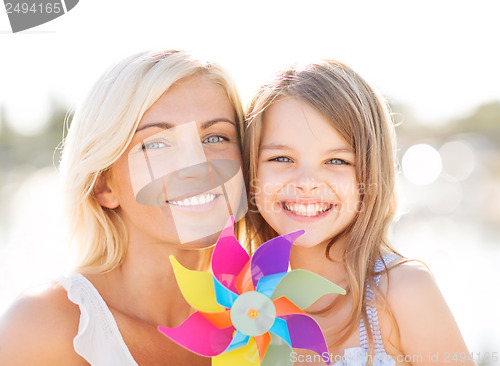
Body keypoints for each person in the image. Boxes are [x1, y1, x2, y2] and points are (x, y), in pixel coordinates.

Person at [0, 50, 247, 365]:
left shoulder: (264, 318)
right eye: (156, 144)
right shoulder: (46, 327)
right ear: (104, 186)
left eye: (215, 137)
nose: (197, 166)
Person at [243, 60, 474, 365]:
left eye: (337, 161)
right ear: (250, 168)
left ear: (371, 171)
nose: (307, 183)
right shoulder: (240, 302)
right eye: (282, 157)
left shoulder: (404, 292)